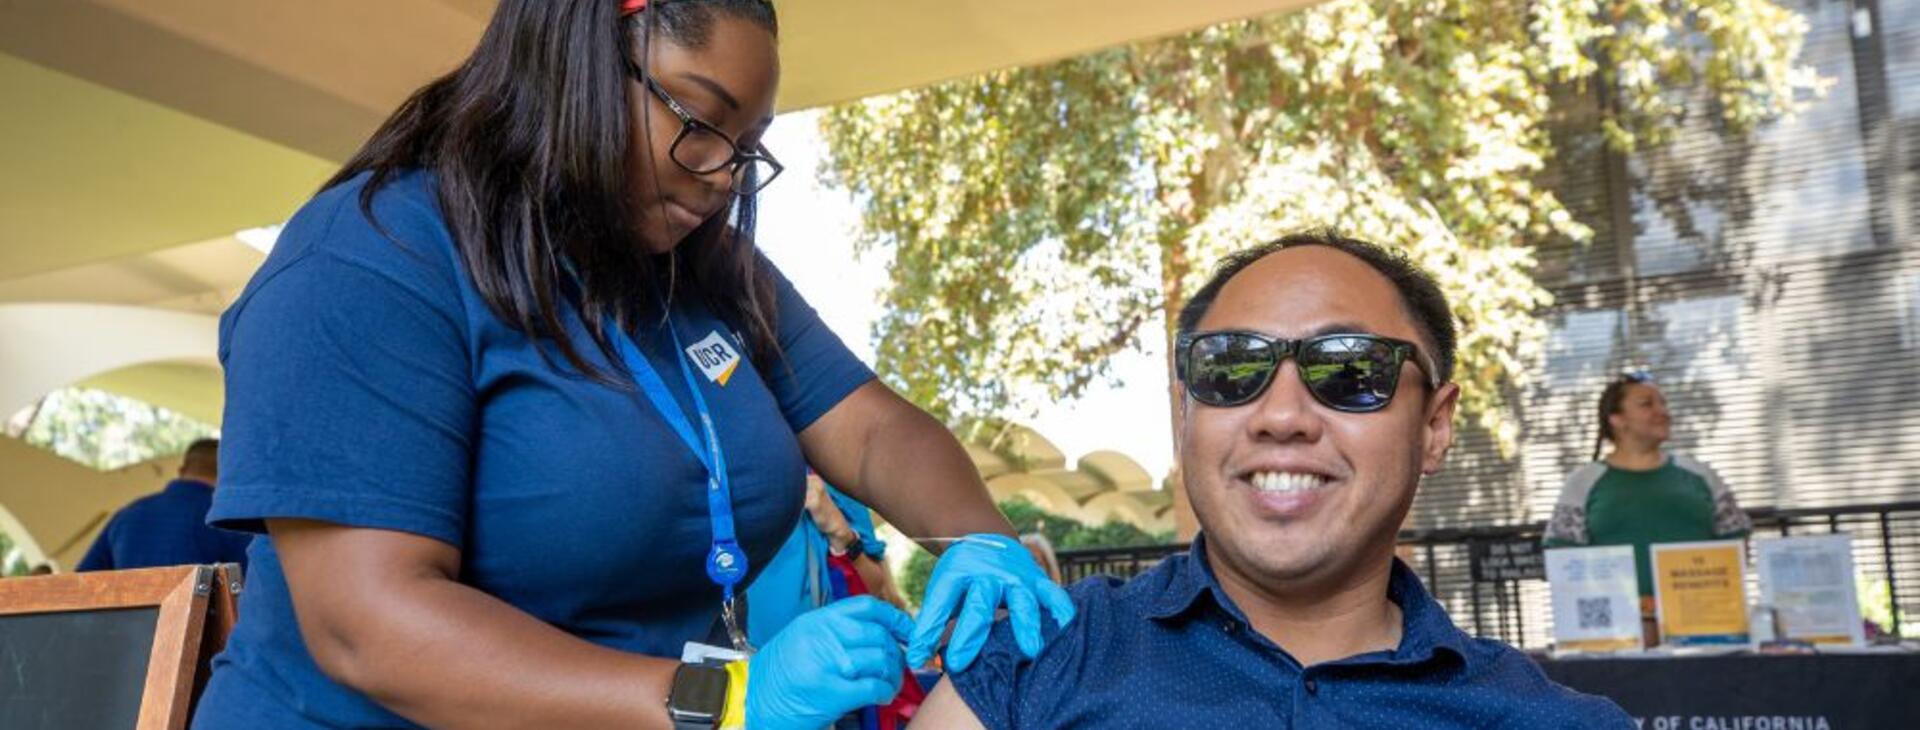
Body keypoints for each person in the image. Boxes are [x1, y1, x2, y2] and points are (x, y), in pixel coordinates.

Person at [193, 2, 1069, 728]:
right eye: (700, 120)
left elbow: (872, 431)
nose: (723, 176)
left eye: (748, 143)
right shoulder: (371, 257)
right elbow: (370, 629)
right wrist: (723, 701)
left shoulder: (706, 270)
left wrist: (982, 541)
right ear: (575, 61)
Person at [912, 231, 1631, 728]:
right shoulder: (1042, 659)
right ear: (1186, 413)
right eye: (1231, 368)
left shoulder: (1550, 722)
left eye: (1349, 370)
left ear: (1434, 428)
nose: (1282, 415)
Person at [1544, 372, 1752, 639]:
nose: (1662, 412)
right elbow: (1563, 558)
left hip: (1704, 629)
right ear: (1617, 420)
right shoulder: (1583, 482)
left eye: (1663, 403)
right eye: (1647, 404)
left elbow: (1736, 541)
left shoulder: (1701, 475)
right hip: (1618, 635)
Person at [746, 472, 907, 646]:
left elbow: (878, 589)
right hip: (750, 654)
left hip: (832, 649)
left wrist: (840, 531)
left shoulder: (832, 475)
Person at [76, 439, 249, 572]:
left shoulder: (127, 515)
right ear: (230, 474)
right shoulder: (229, 519)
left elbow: (80, 583)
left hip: (132, 609)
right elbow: (258, 586)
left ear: (181, 470)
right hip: (198, 610)